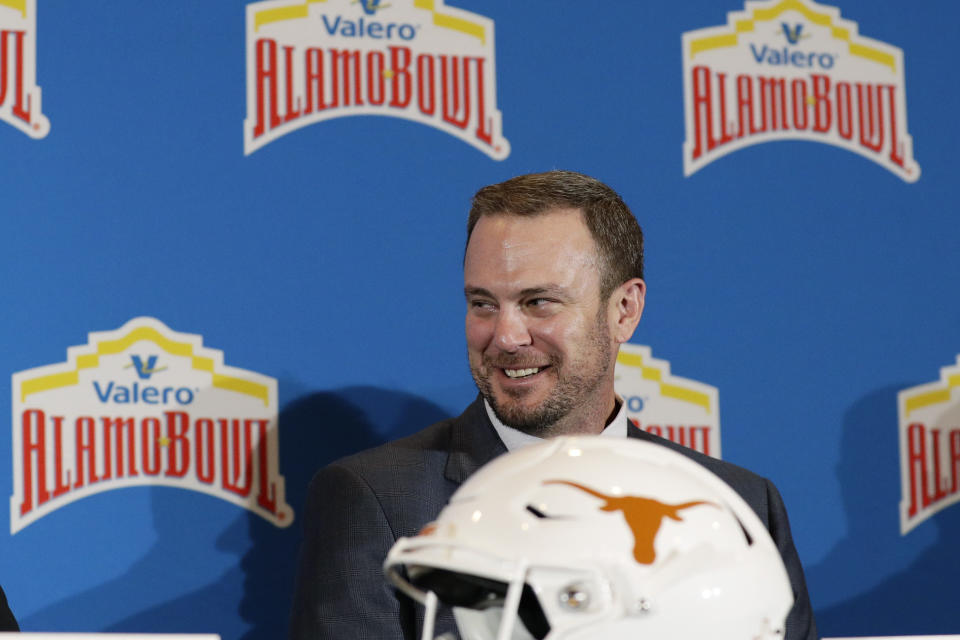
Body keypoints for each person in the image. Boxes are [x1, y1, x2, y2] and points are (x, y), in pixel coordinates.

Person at [289, 170, 817, 640]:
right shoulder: (376, 500)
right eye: (482, 303)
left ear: (625, 310)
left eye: (538, 302)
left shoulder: (741, 505)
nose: (506, 336)